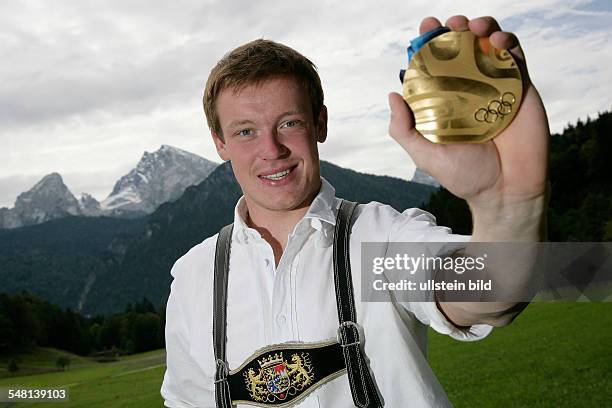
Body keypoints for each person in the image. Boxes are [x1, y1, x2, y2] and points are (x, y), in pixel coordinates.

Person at [161, 15, 549, 408]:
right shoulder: (194, 277)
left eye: (289, 123)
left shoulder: (377, 240)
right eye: (245, 131)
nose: (271, 149)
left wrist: (507, 207)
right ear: (219, 142)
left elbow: (490, 293)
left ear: (320, 124)